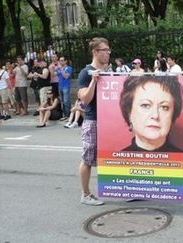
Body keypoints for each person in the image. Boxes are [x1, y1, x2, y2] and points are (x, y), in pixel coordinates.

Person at [77, 37, 111, 206]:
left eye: (108, 50)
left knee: (114, 157)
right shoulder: (86, 72)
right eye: (104, 50)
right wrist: (93, 81)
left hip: (110, 121)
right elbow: (85, 99)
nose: (108, 53)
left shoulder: (110, 71)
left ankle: (125, 189)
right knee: (88, 159)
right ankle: (86, 194)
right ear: (95, 52)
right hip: (94, 121)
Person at [120, 76, 183, 152]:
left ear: (173, 115)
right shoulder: (112, 162)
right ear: (129, 112)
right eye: (145, 105)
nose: (155, 115)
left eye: (164, 107)